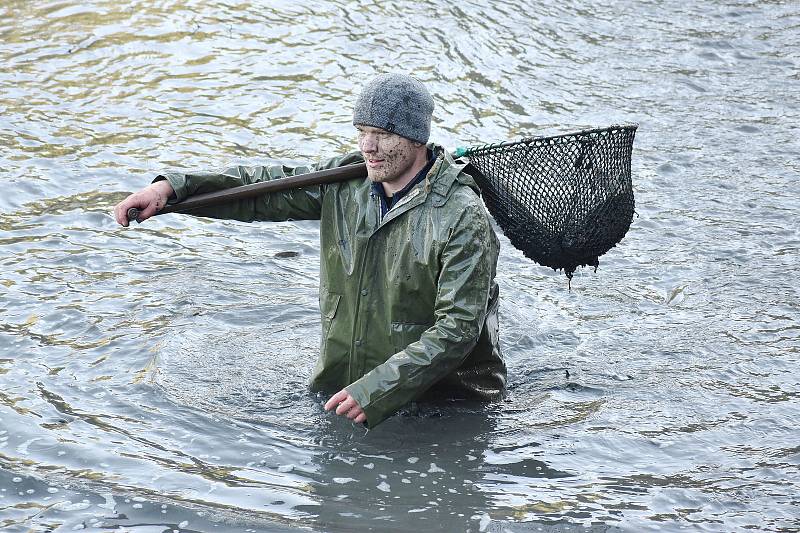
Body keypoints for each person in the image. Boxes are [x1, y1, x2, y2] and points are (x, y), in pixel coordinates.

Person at [114, 73, 506, 428]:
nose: (369, 146)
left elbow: (458, 329)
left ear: (416, 138)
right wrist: (173, 189)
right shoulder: (345, 183)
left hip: (445, 408)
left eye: (383, 134)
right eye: (361, 131)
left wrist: (377, 390)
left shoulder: (461, 216)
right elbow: (262, 189)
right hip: (344, 391)